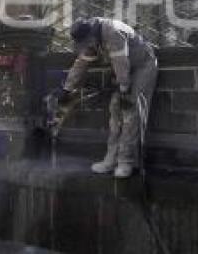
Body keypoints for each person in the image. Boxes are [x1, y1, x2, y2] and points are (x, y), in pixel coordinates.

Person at [56, 17, 158, 179]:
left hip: (142, 66)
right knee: (114, 112)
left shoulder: (112, 31)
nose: (86, 47)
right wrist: (67, 89)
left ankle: (126, 162)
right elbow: (80, 64)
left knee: (130, 112)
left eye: (87, 43)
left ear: (91, 35)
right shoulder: (91, 37)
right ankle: (110, 160)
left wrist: (124, 90)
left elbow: (121, 62)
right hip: (124, 70)